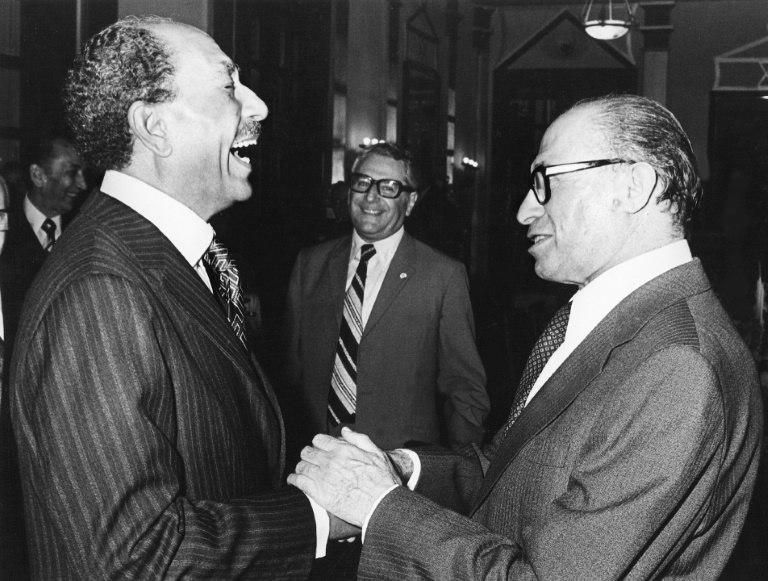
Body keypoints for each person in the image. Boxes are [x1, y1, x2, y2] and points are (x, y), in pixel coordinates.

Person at [289, 94, 764, 579]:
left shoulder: (678, 368)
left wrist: (379, 507)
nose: (522, 211)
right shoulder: (619, 324)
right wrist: (403, 469)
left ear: (632, 186)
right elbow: (516, 468)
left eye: (544, 182)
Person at [10, 16, 335, 578]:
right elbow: (132, 558)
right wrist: (321, 518)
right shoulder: (101, 291)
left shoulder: (161, 260)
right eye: (230, 86)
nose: (257, 106)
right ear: (154, 126)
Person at [283, 142, 489, 455]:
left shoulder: (442, 276)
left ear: (410, 202)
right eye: (362, 183)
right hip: (313, 460)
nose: (371, 197)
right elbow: (289, 374)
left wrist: (463, 472)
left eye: (389, 187)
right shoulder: (310, 265)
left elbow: (465, 389)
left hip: (396, 474)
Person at [0, 136, 87, 350]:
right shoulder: (4, 231)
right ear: (38, 175)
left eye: (83, 173)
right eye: (71, 173)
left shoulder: (87, 230)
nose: (82, 184)